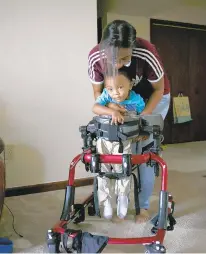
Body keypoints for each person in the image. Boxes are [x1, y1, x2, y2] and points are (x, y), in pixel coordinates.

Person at [88, 20, 171, 223]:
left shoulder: (146, 52)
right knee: (118, 149)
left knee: (144, 152)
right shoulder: (95, 57)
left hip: (151, 97)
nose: (116, 65)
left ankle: (142, 207)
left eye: (124, 58)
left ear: (133, 49)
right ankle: (114, 201)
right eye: (112, 59)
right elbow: (98, 93)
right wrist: (112, 109)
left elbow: (158, 89)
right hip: (118, 99)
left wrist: (140, 120)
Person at [92, 69, 145, 221]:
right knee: (103, 171)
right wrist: (111, 111)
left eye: (120, 87)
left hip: (124, 141)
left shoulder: (137, 100)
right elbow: (94, 108)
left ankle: (123, 198)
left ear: (130, 85)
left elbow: (142, 117)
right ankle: (106, 201)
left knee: (124, 170)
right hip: (104, 140)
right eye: (110, 89)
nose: (115, 93)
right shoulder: (106, 97)